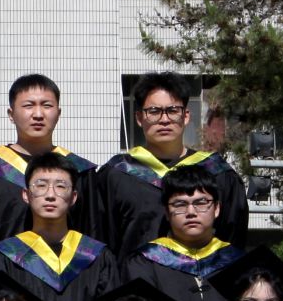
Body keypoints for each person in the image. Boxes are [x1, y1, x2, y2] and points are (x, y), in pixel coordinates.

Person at [0, 150, 121, 301]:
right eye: (41, 186)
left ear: (74, 197)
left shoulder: (96, 256)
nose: (50, 195)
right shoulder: (7, 256)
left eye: (61, 186)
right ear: (26, 195)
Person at [95, 73, 250, 253]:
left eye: (173, 110)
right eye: (154, 111)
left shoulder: (218, 174)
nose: (164, 120)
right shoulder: (115, 175)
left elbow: (232, 243)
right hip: (133, 271)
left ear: (186, 116)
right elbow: (100, 242)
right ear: (139, 118)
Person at [122, 165, 245, 301]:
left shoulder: (237, 264)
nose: (191, 212)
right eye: (180, 204)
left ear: (217, 209)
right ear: (167, 212)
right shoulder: (145, 263)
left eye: (201, 202)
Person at [0, 74, 99, 244]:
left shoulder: (79, 170)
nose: (38, 114)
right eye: (28, 105)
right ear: (11, 114)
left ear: (58, 113)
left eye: (47, 105)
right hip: (3, 261)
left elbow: (90, 235)